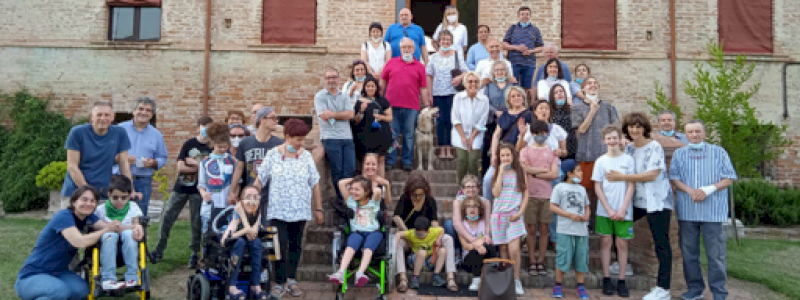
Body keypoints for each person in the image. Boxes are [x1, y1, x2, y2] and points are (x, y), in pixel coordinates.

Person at [607, 112, 676, 300]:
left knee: (661, 243)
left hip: (657, 201)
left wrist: (622, 177)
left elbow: (651, 175)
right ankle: (623, 264)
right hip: (637, 200)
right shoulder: (628, 149)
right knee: (616, 224)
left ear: (644, 128)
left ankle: (663, 289)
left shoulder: (654, 147)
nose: (635, 130)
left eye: (638, 127)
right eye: (631, 127)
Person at [255, 118, 325, 298]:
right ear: (287, 137)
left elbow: (315, 183)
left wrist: (318, 208)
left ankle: (292, 279)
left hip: (300, 211)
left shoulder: (306, 157)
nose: (301, 143)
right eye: (298, 139)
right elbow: (260, 179)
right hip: (278, 211)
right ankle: (279, 281)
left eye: (303, 139)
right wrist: (251, 195)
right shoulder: (273, 155)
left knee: (295, 246)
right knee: (279, 246)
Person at [669, 120, 738, 300]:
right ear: (686, 134)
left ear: (704, 133)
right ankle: (694, 288)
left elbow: (729, 178)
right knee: (689, 253)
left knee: (715, 255)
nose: (694, 135)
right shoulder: (679, 154)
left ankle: (719, 291)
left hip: (712, 212)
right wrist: (690, 190)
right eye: (690, 132)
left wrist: (708, 190)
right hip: (687, 210)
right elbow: (674, 178)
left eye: (697, 131)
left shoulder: (719, 152)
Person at [16, 186, 120, 300]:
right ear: (74, 202)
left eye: (92, 201)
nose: (88, 203)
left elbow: (113, 227)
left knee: (82, 291)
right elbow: (79, 241)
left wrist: (135, 227)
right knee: (59, 292)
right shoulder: (64, 216)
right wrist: (105, 230)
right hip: (33, 274)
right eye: (84, 199)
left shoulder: (89, 217)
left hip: (59, 272)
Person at [152, 116, 214, 266]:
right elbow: (180, 167)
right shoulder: (189, 144)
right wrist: (201, 165)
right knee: (167, 216)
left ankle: (194, 252)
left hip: (198, 190)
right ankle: (159, 248)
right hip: (181, 187)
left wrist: (194, 163)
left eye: (209, 126)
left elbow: (211, 169)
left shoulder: (213, 147)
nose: (205, 129)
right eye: (203, 126)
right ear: (198, 127)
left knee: (196, 222)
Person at [591, 126, 635, 297]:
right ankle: (607, 278)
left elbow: (631, 184)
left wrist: (623, 208)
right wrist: (608, 208)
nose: (612, 141)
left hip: (624, 209)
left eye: (614, 138)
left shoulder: (628, 160)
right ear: (604, 141)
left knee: (622, 244)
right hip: (605, 210)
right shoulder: (601, 161)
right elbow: (598, 186)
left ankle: (622, 280)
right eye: (608, 139)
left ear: (620, 138)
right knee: (605, 243)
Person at [62, 101, 136, 199]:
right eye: (99, 115)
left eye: (107, 115)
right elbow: (72, 166)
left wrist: (130, 189)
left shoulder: (119, 133)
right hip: (76, 191)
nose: (103, 118)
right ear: (92, 117)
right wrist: (87, 191)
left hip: (103, 191)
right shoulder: (77, 132)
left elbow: (124, 165)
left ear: (112, 117)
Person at [381, 37, 431, 171]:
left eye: (410, 47)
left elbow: (423, 88)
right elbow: (383, 82)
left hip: (412, 106)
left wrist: (426, 105)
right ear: (400, 49)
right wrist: (380, 100)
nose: (407, 49)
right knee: (393, 134)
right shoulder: (391, 63)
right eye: (404, 47)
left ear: (414, 49)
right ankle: (391, 160)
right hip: (391, 105)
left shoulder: (420, 67)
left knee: (409, 135)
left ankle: (407, 161)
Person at [519, 119, 560, 276]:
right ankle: (532, 261)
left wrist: (533, 172)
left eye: (543, 133)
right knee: (530, 229)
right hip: (530, 195)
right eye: (537, 133)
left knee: (544, 230)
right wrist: (543, 171)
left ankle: (541, 261)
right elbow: (523, 168)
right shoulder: (526, 150)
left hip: (546, 195)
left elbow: (554, 173)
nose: (540, 136)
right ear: (532, 134)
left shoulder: (551, 151)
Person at [113, 96, 168, 215]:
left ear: (152, 114)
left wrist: (153, 162)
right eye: (140, 109)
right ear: (133, 111)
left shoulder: (156, 135)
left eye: (148, 110)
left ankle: (140, 234)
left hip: (143, 181)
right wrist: (120, 159)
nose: (143, 112)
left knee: (140, 215)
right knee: (116, 213)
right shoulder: (119, 129)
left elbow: (162, 157)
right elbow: (107, 154)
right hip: (119, 179)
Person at [329, 176, 384, 286]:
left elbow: (378, 191)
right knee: (350, 246)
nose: (353, 192)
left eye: (357, 189)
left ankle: (360, 273)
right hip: (357, 232)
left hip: (374, 232)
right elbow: (341, 183)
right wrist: (356, 180)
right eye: (352, 189)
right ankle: (340, 272)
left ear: (367, 191)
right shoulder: (351, 201)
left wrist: (367, 184)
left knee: (368, 248)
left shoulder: (374, 201)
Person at [572, 77, 619, 203]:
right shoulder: (577, 107)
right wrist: (592, 112)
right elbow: (581, 130)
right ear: (583, 88)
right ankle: (588, 222)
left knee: (605, 191)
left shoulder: (607, 106)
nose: (592, 86)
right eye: (589, 83)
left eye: (595, 83)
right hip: (586, 155)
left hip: (606, 155)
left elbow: (615, 128)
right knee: (587, 192)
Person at [550, 159, 591, 300]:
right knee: (563, 256)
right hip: (565, 229)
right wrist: (569, 215)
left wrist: (586, 215)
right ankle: (558, 285)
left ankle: (580, 286)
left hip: (581, 230)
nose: (581, 173)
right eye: (578, 170)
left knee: (582, 257)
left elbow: (587, 206)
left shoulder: (582, 189)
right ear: (569, 173)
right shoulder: (559, 188)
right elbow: (553, 206)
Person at [490, 143, 529, 295]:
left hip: (514, 215)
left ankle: (516, 279)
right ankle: (506, 278)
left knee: (514, 249)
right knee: (504, 249)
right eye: (502, 155)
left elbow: (526, 193)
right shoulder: (496, 172)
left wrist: (520, 212)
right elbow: (496, 193)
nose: (505, 158)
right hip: (499, 215)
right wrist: (500, 172)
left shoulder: (520, 172)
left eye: (508, 155)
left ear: (513, 156)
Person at [95, 175, 145, 290]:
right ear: (109, 194)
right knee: (110, 234)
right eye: (115, 197)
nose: (119, 201)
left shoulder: (133, 207)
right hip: (107, 244)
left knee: (129, 233)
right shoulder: (101, 210)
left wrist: (123, 227)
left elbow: (136, 225)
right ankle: (108, 278)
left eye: (124, 198)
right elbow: (97, 228)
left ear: (129, 196)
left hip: (128, 243)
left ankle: (132, 277)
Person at [229, 106, 283, 208]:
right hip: (249, 194)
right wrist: (232, 191)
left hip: (272, 196)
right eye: (273, 118)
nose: (276, 121)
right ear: (262, 120)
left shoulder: (279, 144)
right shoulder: (245, 142)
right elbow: (239, 168)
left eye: (277, 118)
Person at [483, 86, 531, 201]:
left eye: (518, 95)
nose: (516, 98)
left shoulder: (529, 115)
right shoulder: (504, 115)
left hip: (520, 154)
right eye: (513, 96)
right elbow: (496, 135)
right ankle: (488, 208)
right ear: (509, 99)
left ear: (523, 98)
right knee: (488, 180)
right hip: (504, 154)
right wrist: (494, 154)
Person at [220, 186, 268, 300]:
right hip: (232, 241)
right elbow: (232, 234)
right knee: (240, 242)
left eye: (255, 197)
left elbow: (253, 233)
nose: (252, 201)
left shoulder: (257, 213)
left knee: (256, 243)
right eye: (248, 197)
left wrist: (248, 229)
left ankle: (255, 285)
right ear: (241, 201)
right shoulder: (236, 214)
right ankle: (232, 286)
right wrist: (242, 217)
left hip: (249, 239)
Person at [316, 68, 356, 200]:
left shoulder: (344, 96)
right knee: (337, 170)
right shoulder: (320, 96)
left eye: (334, 77)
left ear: (338, 79)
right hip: (330, 138)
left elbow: (350, 114)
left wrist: (332, 114)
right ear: (325, 80)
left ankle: (350, 199)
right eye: (328, 78)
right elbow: (323, 116)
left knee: (350, 169)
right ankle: (343, 200)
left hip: (347, 137)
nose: (331, 80)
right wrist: (341, 115)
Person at [427, 29, 467, 160]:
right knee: (440, 121)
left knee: (451, 121)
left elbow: (466, 72)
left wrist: (459, 78)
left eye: (448, 40)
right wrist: (429, 94)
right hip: (438, 94)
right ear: (439, 42)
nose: (445, 42)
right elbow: (429, 76)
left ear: (452, 42)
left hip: (453, 94)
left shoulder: (457, 55)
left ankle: (449, 149)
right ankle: (441, 149)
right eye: (443, 40)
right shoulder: (433, 58)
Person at [394, 217, 459, 292]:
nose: (419, 236)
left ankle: (436, 275)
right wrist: (394, 247)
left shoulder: (433, 232)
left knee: (443, 251)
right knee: (422, 252)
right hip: (415, 261)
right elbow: (398, 234)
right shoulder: (411, 233)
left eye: (421, 235)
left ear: (428, 231)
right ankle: (415, 277)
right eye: (417, 233)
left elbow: (442, 229)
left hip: (429, 261)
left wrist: (439, 239)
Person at [442, 175, 492, 265]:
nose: (471, 189)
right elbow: (457, 223)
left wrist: (487, 235)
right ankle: (457, 252)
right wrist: (471, 239)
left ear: (478, 189)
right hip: (463, 231)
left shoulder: (485, 202)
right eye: (468, 187)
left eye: (474, 187)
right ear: (463, 189)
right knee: (449, 224)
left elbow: (488, 221)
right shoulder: (458, 201)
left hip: (479, 230)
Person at [198, 122, 237, 231]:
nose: (223, 150)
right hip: (211, 204)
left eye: (226, 147)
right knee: (208, 234)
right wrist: (203, 193)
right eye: (220, 147)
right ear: (213, 143)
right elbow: (201, 184)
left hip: (227, 204)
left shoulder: (232, 161)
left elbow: (237, 180)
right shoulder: (205, 162)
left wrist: (234, 194)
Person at [452, 72, 489, 182]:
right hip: (459, 133)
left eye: (476, 81)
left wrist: (472, 137)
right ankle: (462, 187)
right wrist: (464, 137)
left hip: (476, 133)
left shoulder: (484, 99)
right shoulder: (458, 97)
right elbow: (455, 118)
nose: (473, 84)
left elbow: (482, 122)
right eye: (470, 81)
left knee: (473, 160)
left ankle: (474, 186)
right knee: (462, 160)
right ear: (465, 83)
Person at [352, 79, 394, 177]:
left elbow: (390, 117)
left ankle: (380, 187)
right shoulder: (359, 102)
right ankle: (365, 188)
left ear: (376, 88)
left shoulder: (383, 101)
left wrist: (381, 117)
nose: (370, 88)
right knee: (366, 160)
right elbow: (356, 120)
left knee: (381, 159)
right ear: (364, 88)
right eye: (368, 86)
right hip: (365, 136)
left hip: (381, 135)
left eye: (373, 86)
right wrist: (361, 111)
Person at [480, 60, 514, 177]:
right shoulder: (489, 85)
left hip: (508, 121)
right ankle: (486, 175)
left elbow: (515, 100)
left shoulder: (511, 85)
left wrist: (505, 113)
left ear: (506, 71)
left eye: (502, 70)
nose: (499, 72)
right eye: (497, 70)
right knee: (488, 147)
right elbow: (485, 101)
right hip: (491, 120)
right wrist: (495, 111)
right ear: (493, 72)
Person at [502, 6, 544, 100]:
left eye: (527, 14)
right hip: (514, 62)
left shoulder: (535, 30)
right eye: (522, 14)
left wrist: (531, 51)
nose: (525, 16)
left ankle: (524, 107)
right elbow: (504, 45)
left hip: (529, 63)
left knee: (527, 88)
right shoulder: (512, 28)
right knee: (514, 86)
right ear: (518, 16)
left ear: (530, 16)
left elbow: (541, 47)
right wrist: (517, 48)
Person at [457, 195, 496, 291]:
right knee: (477, 252)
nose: (472, 209)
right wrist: (477, 246)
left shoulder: (484, 223)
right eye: (469, 206)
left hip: (486, 254)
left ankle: (492, 275)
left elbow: (491, 241)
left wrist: (481, 244)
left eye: (475, 206)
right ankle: (476, 279)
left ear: (480, 209)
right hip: (469, 260)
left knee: (489, 246)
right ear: (464, 210)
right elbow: (465, 246)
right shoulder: (462, 225)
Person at [550, 84, 578, 159]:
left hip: (572, 148)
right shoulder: (549, 112)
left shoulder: (572, 110)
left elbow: (576, 130)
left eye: (561, 91)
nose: (559, 93)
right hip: (556, 150)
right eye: (556, 92)